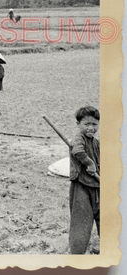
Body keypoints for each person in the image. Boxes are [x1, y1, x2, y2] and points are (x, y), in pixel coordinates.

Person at [69, 106, 100, 254]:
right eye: (86, 124)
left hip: (98, 187)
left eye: (94, 124)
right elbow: (77, 151)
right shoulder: (78, 138)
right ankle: (76, 256)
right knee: (81, 224)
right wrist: (89, 163)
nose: (91, 128)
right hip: (81, 186)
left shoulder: (95, 142)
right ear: (78, 124)